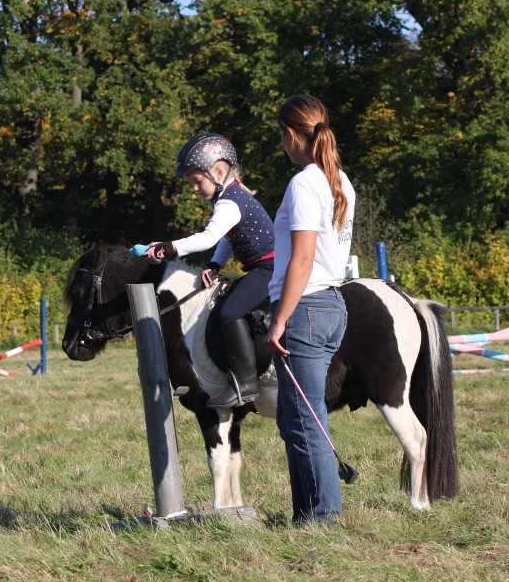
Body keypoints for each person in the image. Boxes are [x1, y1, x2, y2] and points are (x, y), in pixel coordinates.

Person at [264, 95, 355, 526]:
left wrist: (279, 319)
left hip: (305, 308)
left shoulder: (303, 182)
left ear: (289, 133)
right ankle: (306, 513)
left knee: (306, 419)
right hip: (331, 304)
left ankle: (323, 519)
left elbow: (302, 259)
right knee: (294, 417)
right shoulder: (340, 180)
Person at [141, 133, 275, 409]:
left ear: (217, 171)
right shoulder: (231, 196)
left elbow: (208, 238)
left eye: (196, 181)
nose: (194, 188)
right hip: (263, 266)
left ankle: (246, 384)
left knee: (228, 312)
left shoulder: (229, 202)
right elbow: (227, 238)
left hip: (268, 268)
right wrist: (215, 265)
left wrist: (169, 247)